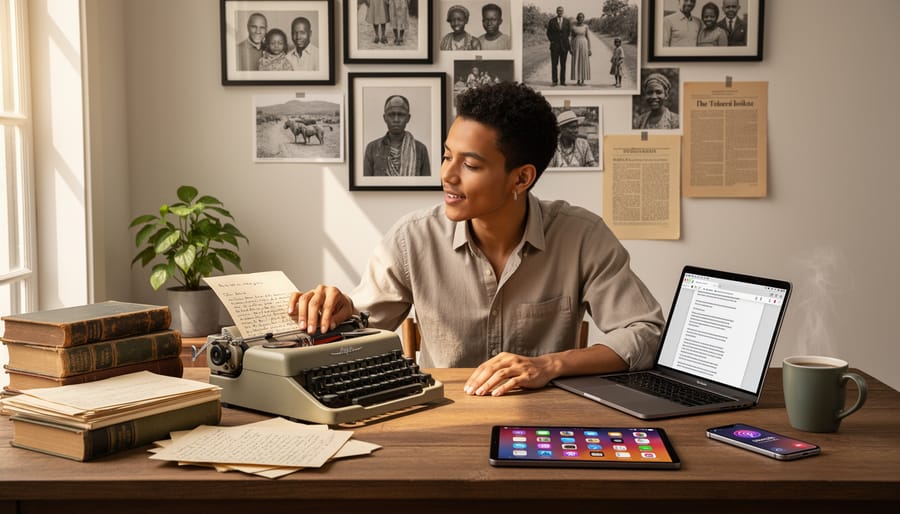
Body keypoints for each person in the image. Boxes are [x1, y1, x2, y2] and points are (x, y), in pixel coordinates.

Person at [290, 82, 664, 397]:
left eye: (469, 165)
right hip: (443, 418)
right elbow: (362, 329)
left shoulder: (582, 236)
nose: (447, 176)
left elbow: (645, 332)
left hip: (543, 422)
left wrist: (550, 364)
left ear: (521, 179)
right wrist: (339, 313)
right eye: (446, 157)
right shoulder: (412, 239)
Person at [363, 95, 431, 177]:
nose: (396, 119)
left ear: (408, 118)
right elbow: (366, 185)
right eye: (391, 115)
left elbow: (426, 185)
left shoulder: (420, 149)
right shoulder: (372, 148)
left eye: (401, 115)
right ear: (385, 118)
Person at [546, 6, 571, 86]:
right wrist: (552, 41)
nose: (560, 12)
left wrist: (564, 40)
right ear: (556, 12)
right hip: (555, 46)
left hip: (564, 46)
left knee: (563, 64)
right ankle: (554, 81)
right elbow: (548, 32)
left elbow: (568, 32)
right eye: (558, 11)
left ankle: (563, 81)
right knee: (554, 64)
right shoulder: (552, 21)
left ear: (563, 12)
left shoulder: (567, 21)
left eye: (561, 11)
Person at [569, 12, 591, 86]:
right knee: (577, 61)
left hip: (584, 44)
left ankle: (583, 80)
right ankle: (578, 80)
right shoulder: (573, 27)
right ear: (577, 18)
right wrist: (571, 48)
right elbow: (571, 38)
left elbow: (588, 37)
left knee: (583, 61)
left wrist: (589, 49)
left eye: (582, 17)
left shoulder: (586, 27)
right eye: (579, 17)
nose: (580, 19)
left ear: (583, 18)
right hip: (576, 45)